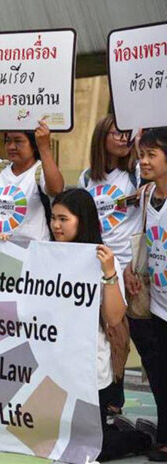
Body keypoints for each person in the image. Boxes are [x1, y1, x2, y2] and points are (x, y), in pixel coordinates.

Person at [51, 189, 153, 461]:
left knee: (91, 449)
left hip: (89, 362)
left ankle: (137, 437)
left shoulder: (102, 259)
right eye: (53, 218)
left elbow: (114, 316)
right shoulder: (45, 254)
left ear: (81, 221)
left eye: (64, 219)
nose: (56, 225)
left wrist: (109, 273)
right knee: (54, 438)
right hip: (54, 362)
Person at [79, 114, 145, 418]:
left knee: (130, 332)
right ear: (101, 137)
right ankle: (111, 396)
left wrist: (136, 265)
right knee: (107, 332)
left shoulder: (135, 173)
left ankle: (115, 397)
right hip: (98, 265)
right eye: (116, 133)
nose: (123, 138)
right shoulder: (85, 178)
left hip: (131, 269)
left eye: (127, 133)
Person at [127, 128, 167, 461]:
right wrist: (132, 271)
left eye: (152, 155)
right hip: (154, 300)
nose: (143, 161)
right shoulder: (145, 195)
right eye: (142, 154)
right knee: (157, 369)